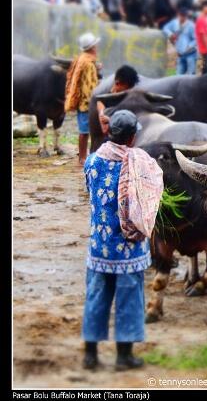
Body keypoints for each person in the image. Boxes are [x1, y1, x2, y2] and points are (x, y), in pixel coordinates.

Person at [81, 109, 164, 371]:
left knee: (96, 297)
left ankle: (90, 356)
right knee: (129, 300)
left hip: (99, 246)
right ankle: (123, 357)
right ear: (131, 138)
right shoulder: (140, 164)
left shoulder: (92, 162)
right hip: (129, 249)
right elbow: (150, 197)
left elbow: (90, 192)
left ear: (109, 132)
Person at [65, 32, 101, 166]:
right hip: (86, 103)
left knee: (85, 131)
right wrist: (93, 102)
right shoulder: (88, 63)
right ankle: (83, 158)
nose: (97, 47)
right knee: (85, 131)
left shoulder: (83, 59)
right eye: (95, 45)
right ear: (91, 47)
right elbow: (88, 85)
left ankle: (83, 156)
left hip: (83, 102)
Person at [96, 65, 140, 137]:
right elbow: (105, 130)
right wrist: (102, 114)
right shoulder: (105, 101)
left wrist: (110, 120)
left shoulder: (130, 100)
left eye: (131, 88)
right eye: (127, 89)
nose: (129, 91)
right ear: (117, 83)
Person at [163, 8, 198, 75]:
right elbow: (165, 28)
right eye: (181, 15)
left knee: (191, 74)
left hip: (191, 54)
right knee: (178, 74)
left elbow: (196, 39)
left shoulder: (191, 25)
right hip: (180, 54)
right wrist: (170, 34)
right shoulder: (174, 23)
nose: (182, 17)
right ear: (178, 15)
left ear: (186, 16)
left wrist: (189, 46)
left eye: (184, 15)